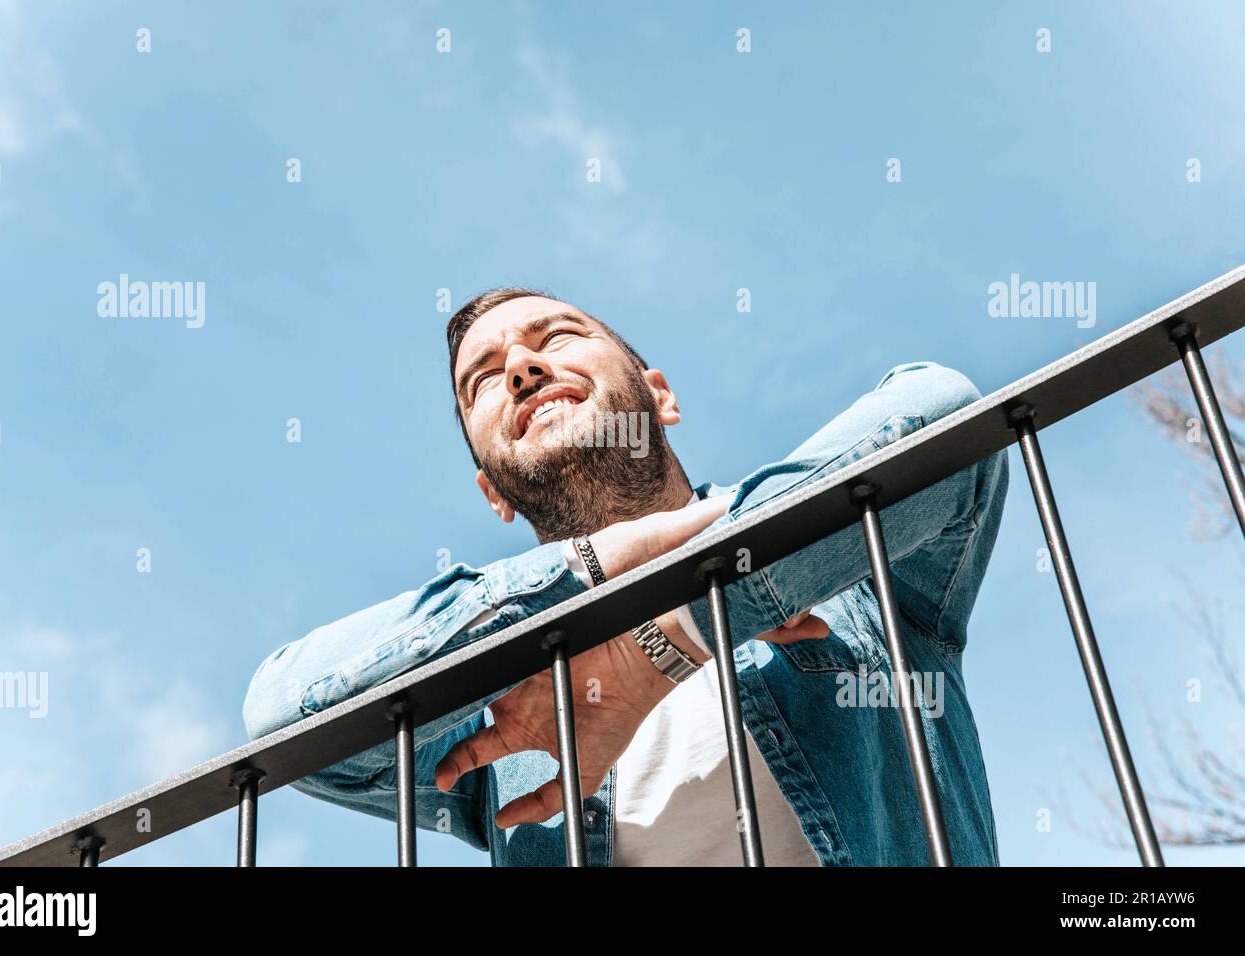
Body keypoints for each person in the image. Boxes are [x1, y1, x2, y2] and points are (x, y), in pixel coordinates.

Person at [242, 288, 1010, 866]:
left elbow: (940, 414)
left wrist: (669, 637)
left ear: (661, 397)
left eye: (557, 337)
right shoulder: (501, 724)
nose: (521, 367)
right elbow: (284, 714)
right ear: (493, 493)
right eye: (483, 379)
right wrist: (593, 569)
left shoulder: (856, 584)